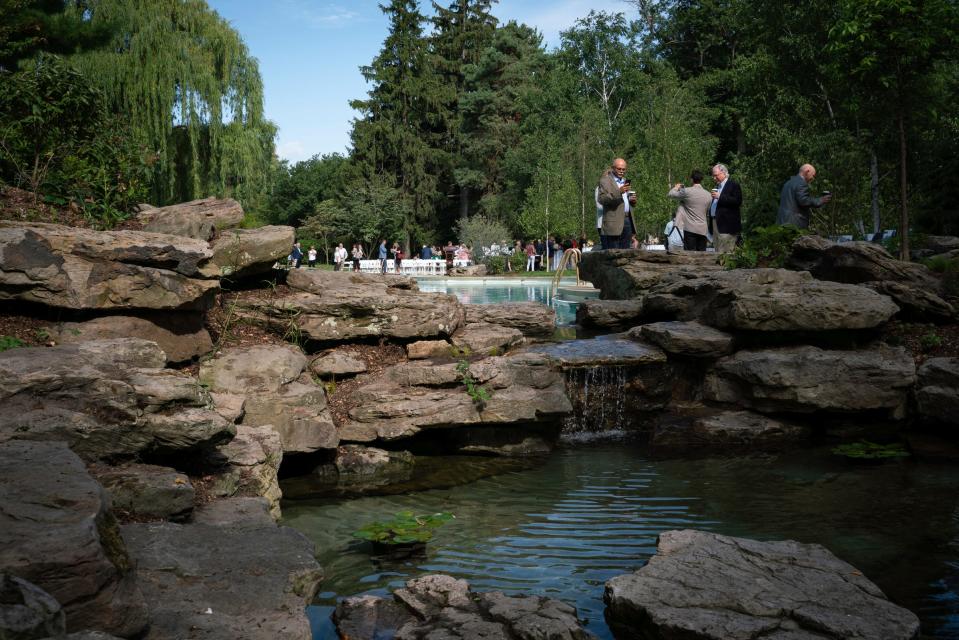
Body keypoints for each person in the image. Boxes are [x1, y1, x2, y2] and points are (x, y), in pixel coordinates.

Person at [597, 158, 638, 249]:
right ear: (613, 168)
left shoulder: (625, 181)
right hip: (613, 222)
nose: (621, 171)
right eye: (619, 169)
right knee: (613, 253)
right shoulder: (605, 181)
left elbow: (626, 201)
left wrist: (632, 201)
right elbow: (602, 199)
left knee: (625, 251)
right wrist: (619, 192)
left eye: (624, 169)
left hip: (627, 219)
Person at [777, 163, 832, 229]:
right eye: (813, 175)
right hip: (794, 224)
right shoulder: (801, 183)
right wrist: (820, 200)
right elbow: (803, 201)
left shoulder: (788, 183)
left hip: (782, 221)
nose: (813, 178)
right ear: (807, 172)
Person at [668, 170, 712, 251]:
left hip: (690, 229)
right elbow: (708, 210)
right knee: (701, 255)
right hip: (703, 230)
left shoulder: (686, 191)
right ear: (701, 180)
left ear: (691, 179)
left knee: (689, 255)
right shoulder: (709, 195)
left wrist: (676, 187)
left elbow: (670, 194)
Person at [710, 164, 743, 253]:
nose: (714, 178)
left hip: (727, 225)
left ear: (723, 173)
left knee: (726, 252)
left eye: (715, 175)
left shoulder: (733, 185)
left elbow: (737, 201)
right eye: (713, 176)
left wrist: (720, 197)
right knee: (717, 251)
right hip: (715, 222)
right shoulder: (717, 187)